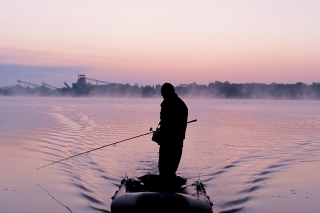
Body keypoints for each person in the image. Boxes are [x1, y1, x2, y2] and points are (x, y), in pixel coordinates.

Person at [152, 83, 188, 180]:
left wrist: (158, 134)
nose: (163, 97)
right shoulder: (181, 104)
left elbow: (169, 127)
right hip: (177, 143)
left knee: (165, 171)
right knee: (169, 171)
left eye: (163, 95)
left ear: (166, 93)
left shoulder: (169, 105)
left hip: (170, 144)